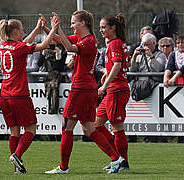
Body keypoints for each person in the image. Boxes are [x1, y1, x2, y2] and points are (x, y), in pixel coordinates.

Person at [44, 10, 124, 175]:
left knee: (67, 128)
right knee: (89, 129)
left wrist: (56, 28)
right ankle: (116, 158)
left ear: (84, 23)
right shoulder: (84, 38)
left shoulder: (89, 41)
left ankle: (63, 167)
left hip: (81, 89)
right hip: (88, 88)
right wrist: (48, 28)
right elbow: (59, 40)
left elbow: (68, 46)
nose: (71, 25)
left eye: (74, 23)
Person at [0, 14, 59, 174]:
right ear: (16, 31)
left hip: (5, 95)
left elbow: (24, 42)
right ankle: (17, 155)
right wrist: (54, 29)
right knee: (31, 129)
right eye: (22, 29)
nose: (23, 32)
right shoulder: (19, 47)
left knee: (14, 131)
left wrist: (37, 28)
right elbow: (43, 45)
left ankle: (17, 167)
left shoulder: (4, 46)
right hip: (19, 95)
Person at [93, 13, 131, 172]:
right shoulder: (117, 43)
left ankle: (122, 162)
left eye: (103, 27)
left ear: (113, 28)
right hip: (113, 90)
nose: (101, 30)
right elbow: (126, 64)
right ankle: (117, 157)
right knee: (96, 125)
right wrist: (107, 75)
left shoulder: (115, 44)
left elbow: (118, 66)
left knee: (117, 128)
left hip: (117, 90)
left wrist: (104, 85)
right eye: (100, 27)